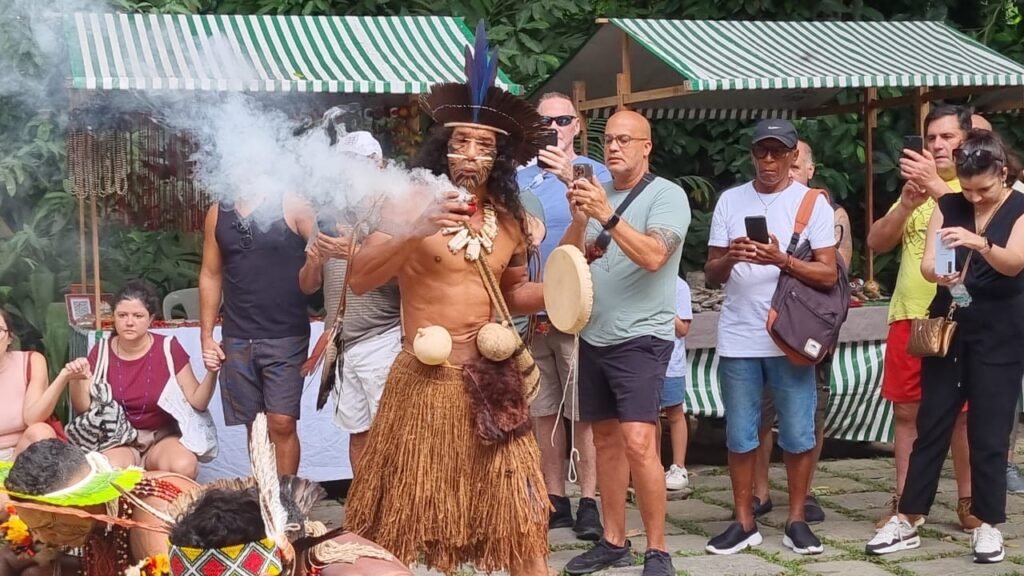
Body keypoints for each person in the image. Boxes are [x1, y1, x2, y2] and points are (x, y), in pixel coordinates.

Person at [342, 23, 549, 576]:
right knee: (400, 525)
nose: (470, 154)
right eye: (461, 142)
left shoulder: (510, 220)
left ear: (499, 157)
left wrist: (565, 291)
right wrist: (417, 229)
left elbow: (512, 294)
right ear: (444, 146)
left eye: (484, 146)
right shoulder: (409, 201)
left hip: (492, 381)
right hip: (425, 383)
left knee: (521, 521)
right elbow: (360, 278)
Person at [865, 130, 1024, 563]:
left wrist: (979, 243)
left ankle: (988, 523)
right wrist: (942, 274)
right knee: (931, 421)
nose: (973, 198)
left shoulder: (1019, 207)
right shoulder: (950, 204)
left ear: (1003, 174)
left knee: (989, 430)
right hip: (951, 323)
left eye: (982, 190)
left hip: (1001, 330)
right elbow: (929, 264)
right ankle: (909, 515)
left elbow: (1014, 263)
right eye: (967, 189)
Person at [561, 110, 690, 576]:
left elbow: (654, 256)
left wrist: (606, 214)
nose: (613, 147)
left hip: (642, 336)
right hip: (594, 332)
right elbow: (570, 259)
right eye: (609, 141)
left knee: (639, 442)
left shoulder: (667, 195)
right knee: (605, 442)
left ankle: (658, 549)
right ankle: (614, 541)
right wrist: (581, 219)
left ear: (646, 146)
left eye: (624, 140)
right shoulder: (600, 195)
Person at [704, 119, 838, 556]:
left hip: (791, 337)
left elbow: (828, 273)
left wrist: (782, 259)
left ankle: (797, 518)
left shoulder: (812, 203)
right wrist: (732, 257)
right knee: (740, 435)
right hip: (739, 336)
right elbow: (712, 273)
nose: (768, 160)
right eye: (761, 151)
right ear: (751, 154)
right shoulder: (730, 200)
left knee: (798, 434)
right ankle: (743, 521)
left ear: (793, 155)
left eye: (777, 152)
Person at [866, 105, 974, 530]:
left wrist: (935, 186)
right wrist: (905, 206)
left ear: (966, 140)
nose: (938, 145)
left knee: (961, 416)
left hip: (960, 313)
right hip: (910, 313)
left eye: (948, 137)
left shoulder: (976, 184)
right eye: (931, 138)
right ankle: (906, 503)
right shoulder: (917, 187)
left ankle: (970, 501)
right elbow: (876, 242)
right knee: (907, 413)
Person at [516, 91, 610, 539]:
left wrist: (570, 176)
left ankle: (590, 499)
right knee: (544, 409)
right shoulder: (517, 178)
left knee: (584, 411)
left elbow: (612, 230)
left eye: (563, 120)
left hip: (582, 305)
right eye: (545, 122)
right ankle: (555, 498)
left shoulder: (598, 173)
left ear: (577, 125)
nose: (554, 128)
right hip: (535, 308)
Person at [199, 156, 323, 475]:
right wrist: (206, 335)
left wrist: (316, 262)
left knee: (281, 422)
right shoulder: (218, 212)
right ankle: (265, 496)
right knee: (254, 425)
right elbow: (211, 274)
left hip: (286, 334)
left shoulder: (292, 204)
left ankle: (286, 498)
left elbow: (322, 264)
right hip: (237, 335)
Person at [751, 138, 850, 524]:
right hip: (767, 326)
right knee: (760, 411)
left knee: (812, 414)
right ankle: (759, 491)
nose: (786, 171)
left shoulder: (831, 212)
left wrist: (788, 259)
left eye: (795, 165)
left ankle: (804, 492)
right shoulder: (761, 205)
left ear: (810, 169)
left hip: (810, 326)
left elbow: (836, 272)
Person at [307, 130, 403, 479]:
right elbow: (308, 285)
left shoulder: (391, 209)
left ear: (379, 165)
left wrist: (352, 251)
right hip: (343, 342)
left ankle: (393, 506)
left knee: (390, 434)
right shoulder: (329, 212)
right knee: (357, 432)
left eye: (357, 163)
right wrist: (314, 261)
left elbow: (401, 274)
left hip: (383, 338)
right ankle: (363, 505)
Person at [55, 282, 218, 479]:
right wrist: (76, 379)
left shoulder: (168, 348)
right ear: (113, 317)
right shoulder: (101, 350)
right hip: (118, 439)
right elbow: (84, 408)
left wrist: (212, 372)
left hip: (162, 437)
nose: (129, 322)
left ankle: (156, 493)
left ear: (151, 319)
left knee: (184, 465)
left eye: (138, 316)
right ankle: (139, 492)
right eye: (122, 315)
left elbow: (197, 402)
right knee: (106, 471)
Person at [1, 438, 197, 575]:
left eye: (49, 526)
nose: (42, 537)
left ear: (80, 502)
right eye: (35, 529)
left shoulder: (149, 525)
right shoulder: (94, 514)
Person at [0, 309, 60, 462]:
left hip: (21, 454)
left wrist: (63, 377)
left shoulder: (31, 361)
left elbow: (33, 418)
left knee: (41, 431)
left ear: (9, 337)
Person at [660, 277, 692, 491]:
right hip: (643, 361)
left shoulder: (679, 286)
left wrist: (659, 305)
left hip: (671, 363)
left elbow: (682, 329)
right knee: (648, 416)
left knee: (674, 412)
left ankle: (679, 467)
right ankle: (652, 465)